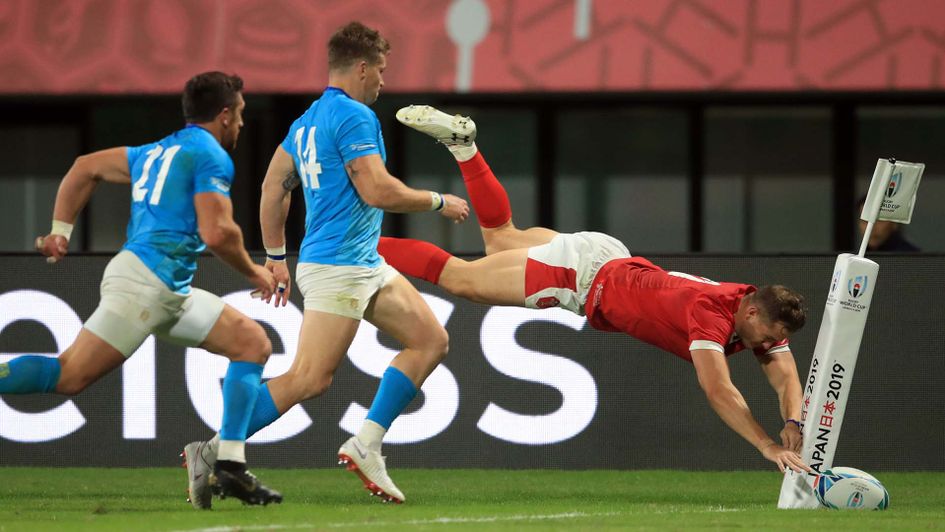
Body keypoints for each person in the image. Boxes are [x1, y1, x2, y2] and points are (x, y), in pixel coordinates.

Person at [378, 104, 813, 475]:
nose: (773, 344)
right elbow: (719, 390)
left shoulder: (751, 304)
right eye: (772, 335)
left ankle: (463, 146)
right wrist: (766, 445)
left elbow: (786, 374)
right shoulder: (711, 315)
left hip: (609, 255)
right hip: (583, 276)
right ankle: (357, 244)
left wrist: (793, 418)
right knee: (461, 279)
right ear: (753, 315)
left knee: (500, 235)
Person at [181, 22, 469, 506]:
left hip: (360, 262)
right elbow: (376, 190)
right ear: (360, 68)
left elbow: (275, 185)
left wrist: (276, 256)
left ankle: (366, 443)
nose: (382, 80)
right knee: (309, 379)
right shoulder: (355, 117)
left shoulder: (308, 120)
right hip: (339, 267)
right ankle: (212, 451)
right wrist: (438, 201)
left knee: (430, 340)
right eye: (380, 69)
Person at [0, 72, 283, 507]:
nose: (242, 124)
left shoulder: (156, 150)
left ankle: (227, 464)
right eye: (241, 114)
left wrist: (60, 230)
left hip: (168, 289)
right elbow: (218, 231)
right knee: (70, 376)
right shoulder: (210, 155)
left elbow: (85, 167)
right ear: (224, 115)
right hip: (144, 284)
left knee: (251, 344)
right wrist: (253, 271)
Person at [855, 195, 920, 252]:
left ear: (894, 223)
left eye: (879, 220)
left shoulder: (910, 257)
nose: (871, 227)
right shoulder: (858, 257)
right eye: (865, 220)